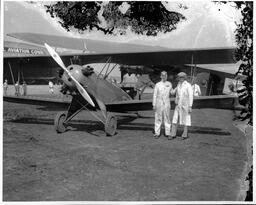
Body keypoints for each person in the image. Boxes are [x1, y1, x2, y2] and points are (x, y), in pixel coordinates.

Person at [170, 72, 193, 140]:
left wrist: (190, 106)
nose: (181, 78)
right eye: (180, 77)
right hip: (178, 105)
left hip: (185, 105)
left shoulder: (188, 85)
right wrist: (169, 87)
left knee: (186, 120)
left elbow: (191, 96)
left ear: (185, 78)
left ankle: (184, 135)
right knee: (175, 119)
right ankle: (172, 134)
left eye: (182, 77)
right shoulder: (178, 84)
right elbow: (173, 92)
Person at [152, 71, 173, 139]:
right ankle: (157, 133)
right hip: (159, 103)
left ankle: (168, 133)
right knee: (158, 118)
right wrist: (154, 104)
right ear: (160, 76)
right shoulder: (157, 84)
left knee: (167, 118)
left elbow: (172, 92)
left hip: (166, 103)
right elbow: (155, 95)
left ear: (167, 76)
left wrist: (178, 87)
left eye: (165, 75)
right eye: (162, 75)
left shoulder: (169, 84)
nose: (164, 76)